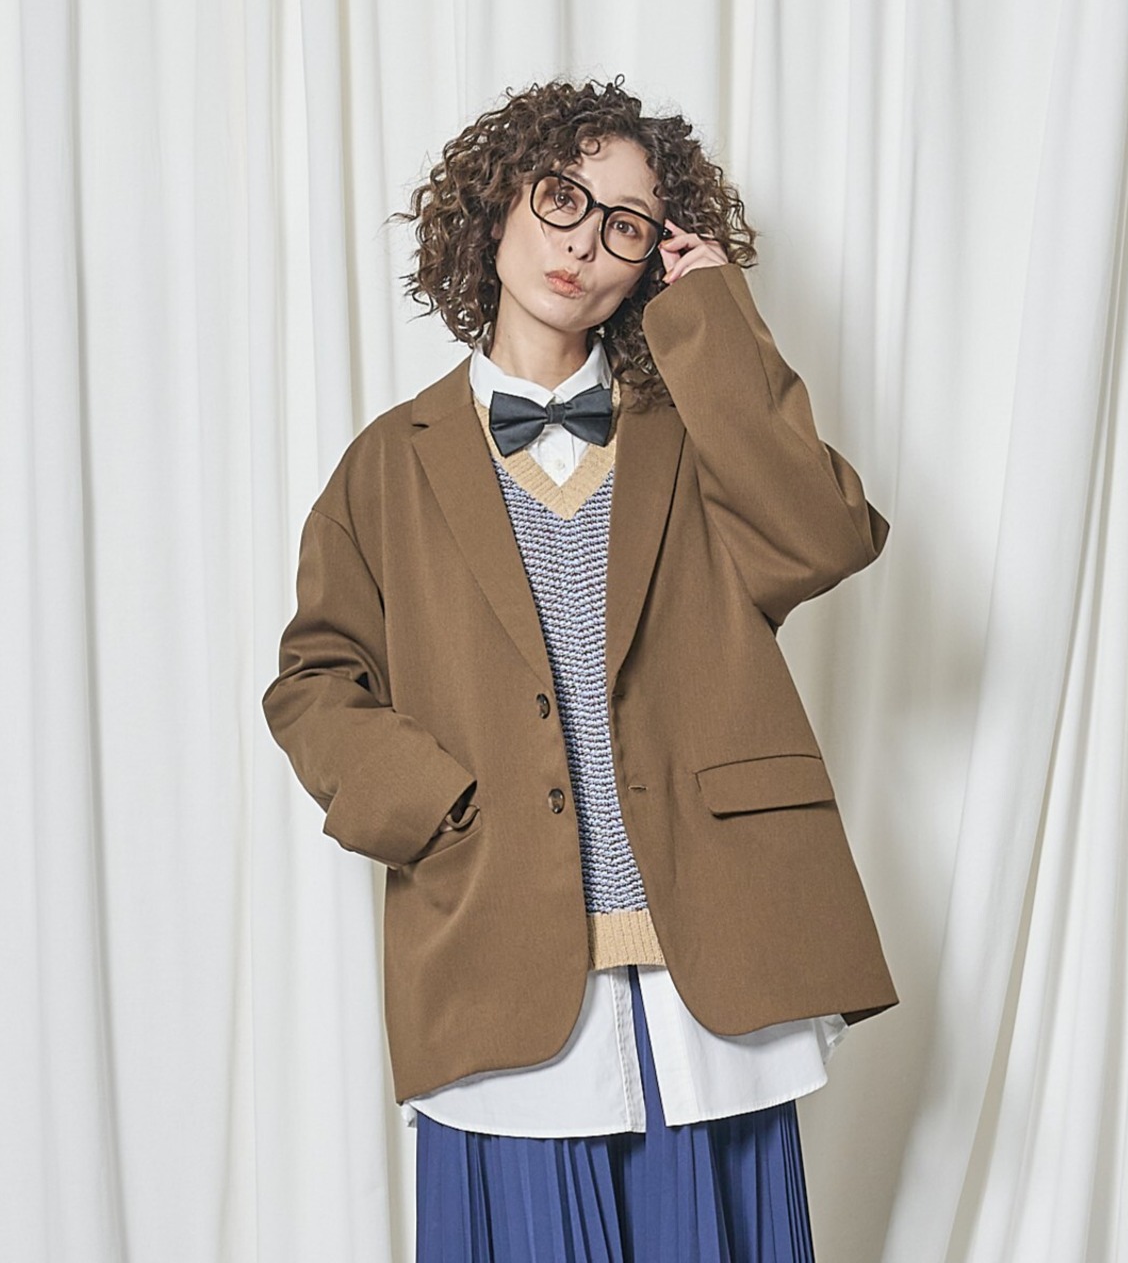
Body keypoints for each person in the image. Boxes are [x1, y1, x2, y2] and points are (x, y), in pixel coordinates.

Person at [263, 74, 898, 1261]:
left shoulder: (698, 427)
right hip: (501, 951)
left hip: (713, 950)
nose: (583, 243)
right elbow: (313, 678)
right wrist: (438, 807)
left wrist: (712, 317)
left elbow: (822, 535)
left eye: (627, 224)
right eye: (562, 197)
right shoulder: (384, 466)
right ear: (499, 201)